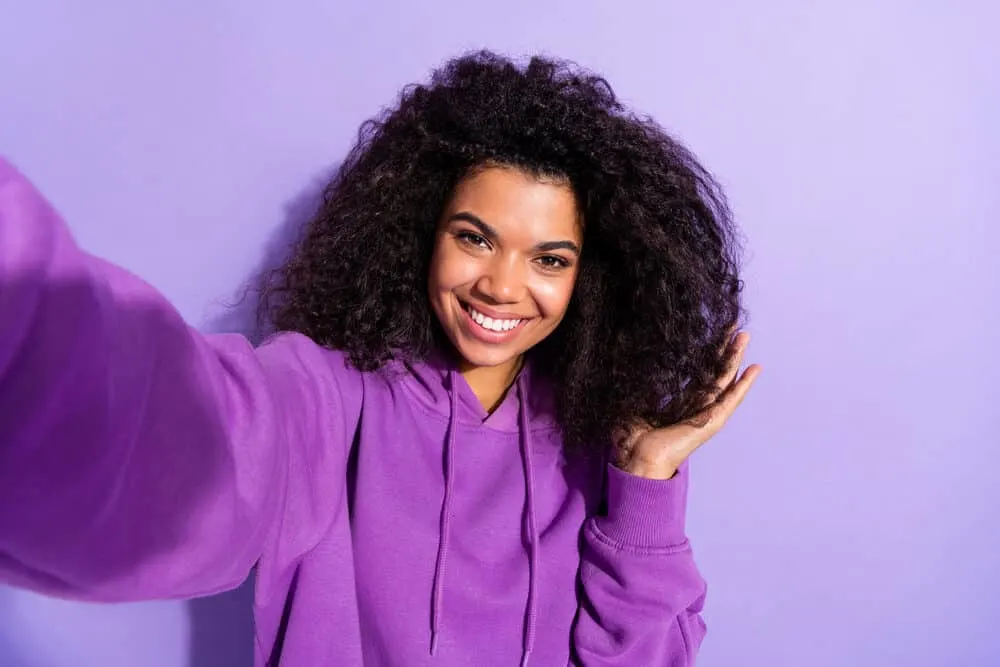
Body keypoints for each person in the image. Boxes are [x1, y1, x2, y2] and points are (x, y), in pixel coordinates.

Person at [0, 51, 760, 666]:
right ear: (421, 232)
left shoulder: (602, 435)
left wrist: (646, 482)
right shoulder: (327, 392)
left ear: (588, 274)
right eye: (474, 236)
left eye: (550, 258)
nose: (501, 285)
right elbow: (188, 449)